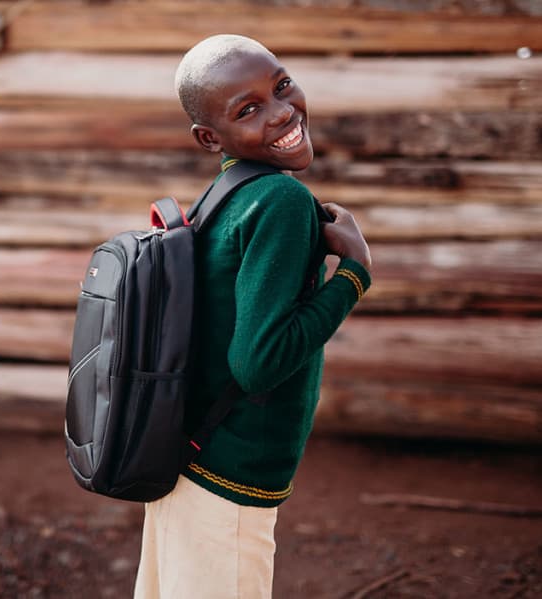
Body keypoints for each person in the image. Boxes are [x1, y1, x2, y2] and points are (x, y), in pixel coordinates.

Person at [133, 34, 373, 598]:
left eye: (282, 85)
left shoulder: (224, 192)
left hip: (186, 455)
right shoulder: (281, 201)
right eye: (249, 110)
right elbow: (257, 364)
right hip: (230, 476)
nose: (283, 112)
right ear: (209, 137)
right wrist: (354, 274)